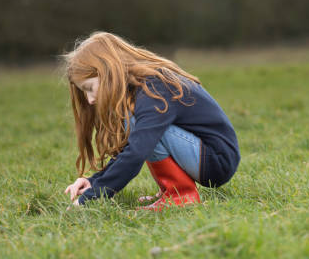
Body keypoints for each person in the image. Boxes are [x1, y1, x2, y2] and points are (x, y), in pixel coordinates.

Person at [61, 31, 240, 210]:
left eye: (89, 88)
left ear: (108, 71)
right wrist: (93, 182)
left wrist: (91, 198)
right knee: (137, 127)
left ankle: (180, 195)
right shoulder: (142, 88)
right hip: (205, 155)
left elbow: (136, 152)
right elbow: (131, 147)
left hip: (216, 161)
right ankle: (170, 191)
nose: (90, 99)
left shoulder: (154, 90)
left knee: (139, 129)